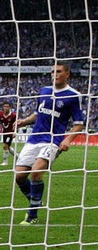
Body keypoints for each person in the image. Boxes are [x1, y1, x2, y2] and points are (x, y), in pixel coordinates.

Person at [14, 63, 85, 225]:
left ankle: (32, 215)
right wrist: (24, 121)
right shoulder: (44, 90)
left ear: (67, 74)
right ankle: (35, 200)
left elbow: (79, 123)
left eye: (58, 71)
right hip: (34, 138)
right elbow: (37, 113)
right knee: (19, 176)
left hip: (53, 140)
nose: (54, 74)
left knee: (37, 172)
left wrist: (68, 139)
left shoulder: (73, 95)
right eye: (52, 72)